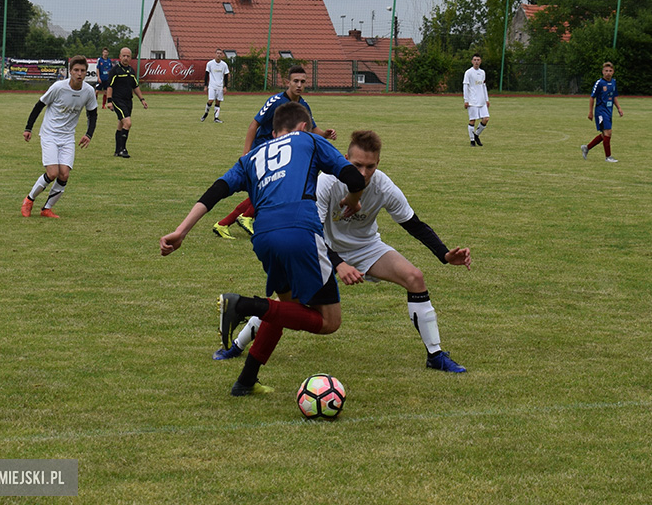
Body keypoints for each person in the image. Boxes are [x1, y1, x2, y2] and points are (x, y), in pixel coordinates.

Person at [214, 130, 472, 373]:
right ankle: (237, 345)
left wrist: (444, 254)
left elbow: (413, 224)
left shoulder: (383, 186)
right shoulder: (326, 182)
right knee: (289, 303)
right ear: (345, 159)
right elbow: (312, 232)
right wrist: (339, 264)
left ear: (378, 163)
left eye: (370, 166)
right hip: (319, 246)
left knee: (414, 277)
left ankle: (435, 355)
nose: (364, 173)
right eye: (357, 165)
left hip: (366, 247)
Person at [160, 102, 365, 396]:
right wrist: (354, 200)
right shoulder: (309, 140)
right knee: (330, 322)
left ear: (273, 133)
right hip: (300, 230)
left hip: (264, 235)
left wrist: (181, 231)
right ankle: (243, 306)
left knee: (286, 308)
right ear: (304, 127)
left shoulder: (252, 156)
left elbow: (217, 190)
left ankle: (246, 380)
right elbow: (355, 178)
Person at [212, 65, 338, 240]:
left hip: (282, 153)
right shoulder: (275, 101)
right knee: (272, 188)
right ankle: (243, 217)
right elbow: (254, 124)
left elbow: (312, 128)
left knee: (270, 188)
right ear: (287, 82)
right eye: (295, 81)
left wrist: (325, 134)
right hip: (263, 150)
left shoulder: (303, 105)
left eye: (302, 82)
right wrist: (246, 153)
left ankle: (226, 223)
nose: (299, 85)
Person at [20, 55, 98, 219]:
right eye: (76, 70)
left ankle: (47, 209)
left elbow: (93, 114)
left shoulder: (88, 91)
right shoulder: (58, 87)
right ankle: (29, 199)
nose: (79, 74)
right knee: (53, 172)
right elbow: (39, 105)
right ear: (70, 71)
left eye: (82, 70)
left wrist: (88, 134)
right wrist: (28, 128)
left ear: (86, 72)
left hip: (68, 137)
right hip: (50, 134)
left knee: (64, 174)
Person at [107, 47, 148, 158]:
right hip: (117, 100)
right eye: (124, 56)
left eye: (128, 56)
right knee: (128, 123)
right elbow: (110, 86)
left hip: (128, 101)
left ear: (131, 58)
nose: (125, 58)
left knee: (121, 125)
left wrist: (142, 99)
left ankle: (117, 151)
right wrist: (109, 101)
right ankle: (123, 149)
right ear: (120, 57)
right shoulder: (115, 70)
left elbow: (135, 86)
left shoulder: (131, 71)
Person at [581, 62, 623, 163]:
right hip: (600, 111)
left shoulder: (613, 82)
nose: (608, 73)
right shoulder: (599, 83)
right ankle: (608, 157)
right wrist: (590, 112)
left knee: (605, 135)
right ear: (602, 72)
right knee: (608, 133)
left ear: (613, 72)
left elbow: (614, 96)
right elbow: (592, 97)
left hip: (609, 111)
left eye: (610, 71)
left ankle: (587, 147)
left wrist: (619, 108)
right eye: (606, 71)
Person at [463, 53, 489, 147]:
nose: (476, 62)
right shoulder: (468, 72)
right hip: (472, 101)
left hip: (482, 100)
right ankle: (472, 141)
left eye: (478, 60)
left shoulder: (482, 72)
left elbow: (483, 86)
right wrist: (466, 100)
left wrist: (486, 99)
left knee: (486, 119)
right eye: (475, 60)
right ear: (472, 61)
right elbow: (465, 86)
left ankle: (476, 135)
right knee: (472, 120)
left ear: (480, 61)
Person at [201, 49, 230, 123]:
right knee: (211, 100)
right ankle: (206, 113)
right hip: (212, 86)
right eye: (217, 53)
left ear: (222, 55)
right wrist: (205, 85)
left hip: (220, 86)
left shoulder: (224, 65)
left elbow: (226, 76)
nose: (219, 55)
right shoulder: (210, 63)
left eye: (220, 53)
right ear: (215, 54)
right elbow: (206, 74)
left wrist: (225, 86)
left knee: (218, 102)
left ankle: (216, 118)